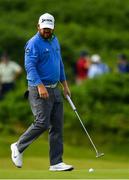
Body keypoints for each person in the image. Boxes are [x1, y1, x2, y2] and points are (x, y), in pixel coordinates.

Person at [10, 13, 74, 171]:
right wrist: (39, 85)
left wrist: (65, 85)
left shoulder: (55, 40)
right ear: (38, 26)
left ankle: (56, 162)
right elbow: (30, 67)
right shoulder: (33, 43)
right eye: (44, 28)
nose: (47, 31)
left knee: (57, 126)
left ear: (53, 28)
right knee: (42, 122)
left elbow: (59, 64)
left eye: (49, 28)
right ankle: (18, 146)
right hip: (39, 89)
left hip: (55, 88)